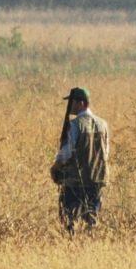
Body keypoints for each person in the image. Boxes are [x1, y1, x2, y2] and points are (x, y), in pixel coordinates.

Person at [51, 86, 109, 231]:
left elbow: (68, 152)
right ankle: (90, 244)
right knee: (92, 218)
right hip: (97, 178)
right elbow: (106, 152)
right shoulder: (103, 124)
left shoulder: (75, 124)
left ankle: (71, 244)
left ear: (81, 103)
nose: (69, 106)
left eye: (71, 102)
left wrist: (55, 167)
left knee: (69, 218)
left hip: (75, 180)